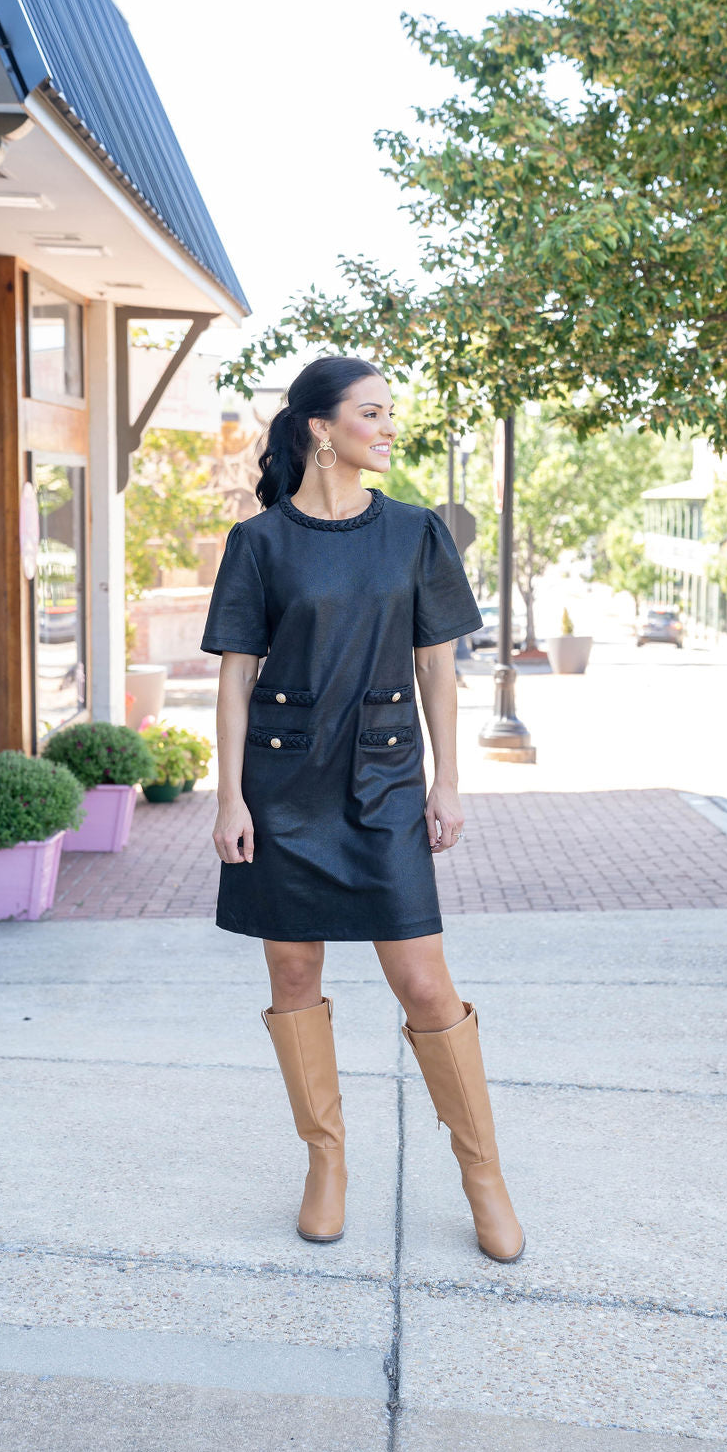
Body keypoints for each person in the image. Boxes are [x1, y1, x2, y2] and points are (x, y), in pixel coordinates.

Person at [200, 355, 525, 1264]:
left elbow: (437, 668)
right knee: (294, 976)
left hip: (382, 783)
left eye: (391, 414)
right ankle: (326, 1163)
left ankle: (483, 1175)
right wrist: (229, 796)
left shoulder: (417, 533)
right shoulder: (258, 543)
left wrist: (447, 779)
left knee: (426, 983)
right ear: (320, 428)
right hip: (283, 786)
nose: (388, 428)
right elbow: (234, 681)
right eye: (372, 413)